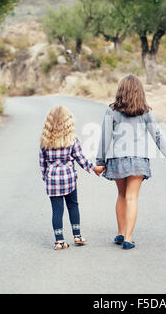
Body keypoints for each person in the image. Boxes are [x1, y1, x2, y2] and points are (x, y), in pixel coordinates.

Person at [96, 74, 166, 250]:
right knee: (132, 197)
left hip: (117, 159)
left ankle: (120, 232)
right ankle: (128, 237)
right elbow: (157, 135)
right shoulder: (145, 112)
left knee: (121, 195)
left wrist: (100, 161)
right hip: (138, 160)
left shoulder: (111, 111)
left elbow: (105, 137)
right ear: (140, 92)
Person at [39, 106, 105, 250]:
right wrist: (94, 168)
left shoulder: (45, 141)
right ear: (68, 122)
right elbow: (81, 159)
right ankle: (77, 236)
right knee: (73, 205)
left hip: (52, 180)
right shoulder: (72, 140)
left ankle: (59, 241)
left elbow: (42, 163)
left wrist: (46, 178)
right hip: (69, 179)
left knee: (57, 210)